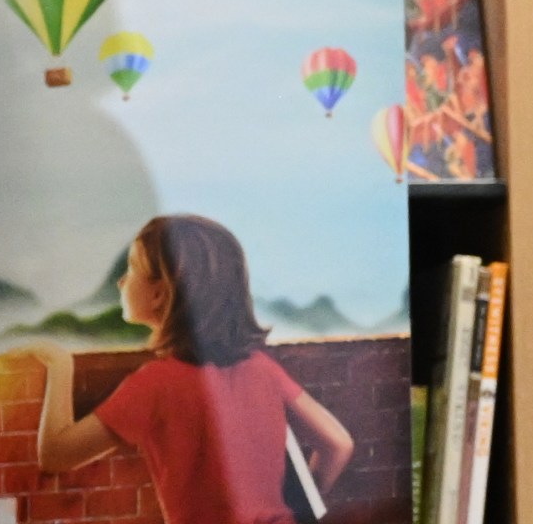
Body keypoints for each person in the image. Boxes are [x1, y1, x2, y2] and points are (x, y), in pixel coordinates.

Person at [20, 215, 355, 524]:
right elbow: (338, 444)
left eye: (131, 268)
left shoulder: (155, 383)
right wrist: (297, 510)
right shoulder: (262, 368)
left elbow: (56, 454)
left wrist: (60, 365)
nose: (121, 281)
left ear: (159, 293)